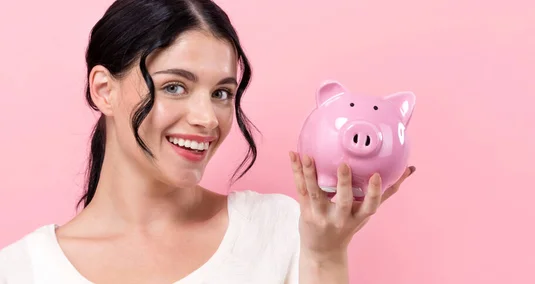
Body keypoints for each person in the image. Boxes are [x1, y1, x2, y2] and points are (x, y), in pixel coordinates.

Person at [0, 0, 415, 283]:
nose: (207, 119)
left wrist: (326, 255)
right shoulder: (22, 270)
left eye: (222, 93)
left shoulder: (282, 230)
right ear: (103, 90)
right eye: (175, 87)